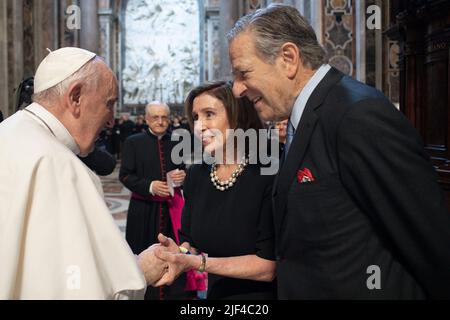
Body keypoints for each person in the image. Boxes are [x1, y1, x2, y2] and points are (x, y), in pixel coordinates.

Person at [226, 4, 450, 299]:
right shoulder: (305, 117)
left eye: (244, 73)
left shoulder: (357, 115)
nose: (237, 90)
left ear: (288, 59)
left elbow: (430, 245)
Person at [0, 47, 168, 299]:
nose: (111, 120)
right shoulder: (59, 165)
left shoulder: (8, 132)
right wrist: (140, 272)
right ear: (75, 97)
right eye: (109, 103)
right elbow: (83, 288)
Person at [154, 81, 277, 300]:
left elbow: (268, 267)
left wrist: (197, 262)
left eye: (209, 114)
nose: (199, 126)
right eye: (196, 117)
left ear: (237, 117)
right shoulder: (197, 175)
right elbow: (189, 241)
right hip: (217, 294)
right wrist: (178, 254)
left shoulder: (267, 174)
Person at [119, 102, 190, 300]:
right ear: (147, 119)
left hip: (170, 211)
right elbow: (124, 175)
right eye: (156, 117)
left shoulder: (176, 141)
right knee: (142, 256)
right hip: (143, 210)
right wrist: (150, 186)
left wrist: (183, 177)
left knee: (172, 254)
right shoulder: (133, 142)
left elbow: (182, 169)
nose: (160, 122)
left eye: (164, 117)